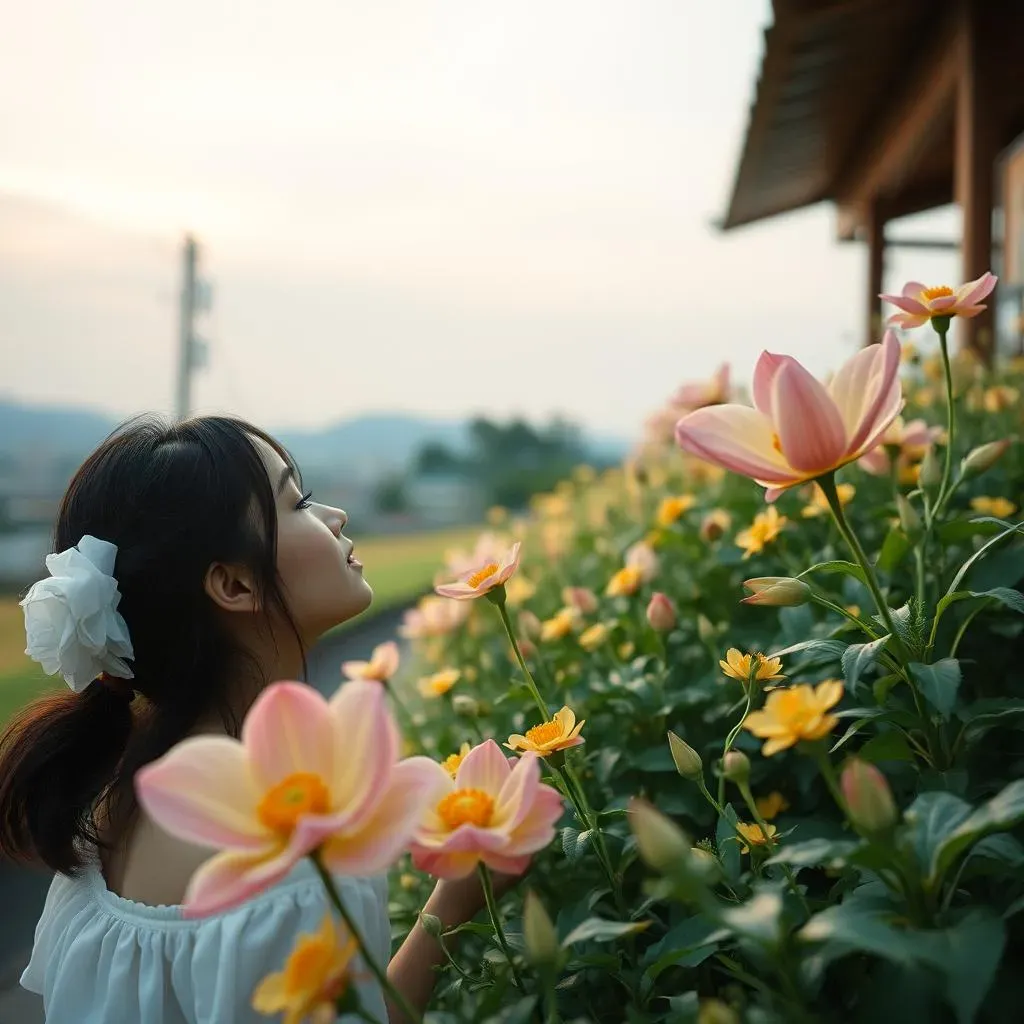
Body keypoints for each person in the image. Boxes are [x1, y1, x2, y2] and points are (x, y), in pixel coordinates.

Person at [0, 416, 495, 1023]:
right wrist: (457, 902)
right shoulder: (285, 849)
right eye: (299, 501)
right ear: (234, 584)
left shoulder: (106, 815)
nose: (335, 515)